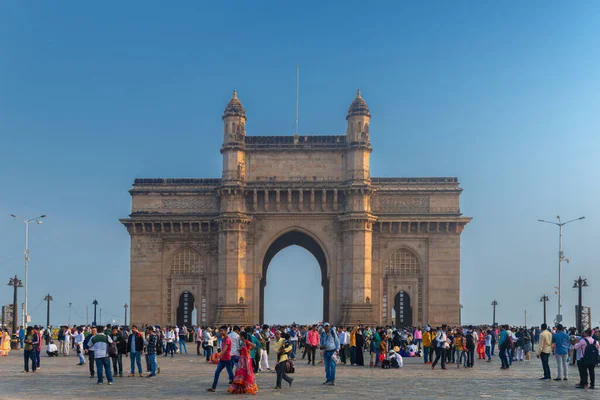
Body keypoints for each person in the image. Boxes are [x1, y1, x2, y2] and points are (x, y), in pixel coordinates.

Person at [207, 325, 234, 392]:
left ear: (225, 331)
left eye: (222, 331)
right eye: (220, 331)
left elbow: (224, 351)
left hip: (227, 359)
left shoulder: (227, 339)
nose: (220, 332)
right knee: (217, 373)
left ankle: (235, 386)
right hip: (222, 359)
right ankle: (213, 387)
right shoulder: (223, 339)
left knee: (230, 374)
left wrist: (217, 358)